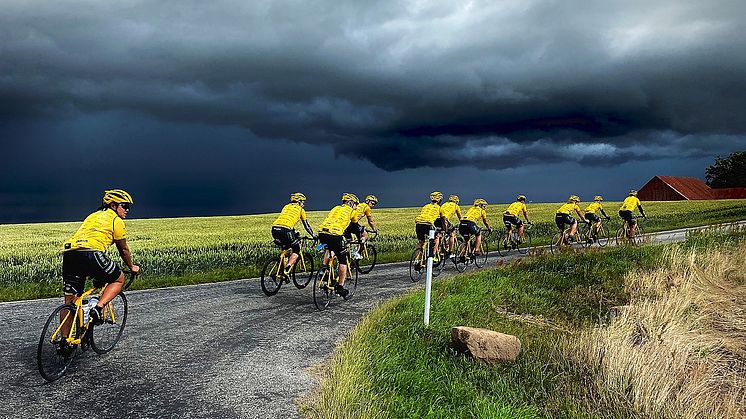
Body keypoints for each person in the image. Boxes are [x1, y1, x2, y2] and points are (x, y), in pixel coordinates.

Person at [61, 189, 140, 339]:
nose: (127, 210)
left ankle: (65, 342)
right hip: (91, 253)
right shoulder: (116, 220)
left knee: (70, 301)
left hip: (70, 253)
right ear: (113, 205)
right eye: (124, 206)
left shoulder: (93, 216)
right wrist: (131, 266)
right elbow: (123, 249)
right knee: (118, 279)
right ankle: (98, 308)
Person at [318, 193, 360, 299]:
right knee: (343, 260)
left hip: (322, 233)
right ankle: (340, 287)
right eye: (355, 204)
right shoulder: (352, 211)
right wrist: (361, 240)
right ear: (351, 203)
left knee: (330, 249)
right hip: (336, 235)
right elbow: (355, 228)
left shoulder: (335, 208)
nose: (356, 207)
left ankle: (324, 269)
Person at [271, 192, 316, 276]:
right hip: (286, 230)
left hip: (274, 229)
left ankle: (280, 269)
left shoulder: (286, 206)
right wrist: (313, 235)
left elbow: (286, 219)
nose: (303, 204)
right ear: (299, 202)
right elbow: (306, 226)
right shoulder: (301, 210)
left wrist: (294, 233)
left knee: (285, 248)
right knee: (296, 250)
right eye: (303, 202)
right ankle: (286, 269)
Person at [414, 191, 447, 264]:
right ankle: (433, 256)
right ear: (440, 200)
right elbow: (444, 221)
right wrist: (445, 229)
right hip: (428, 225)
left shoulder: (425, 206)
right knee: (437, 237)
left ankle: (417, 260)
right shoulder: (439, 208)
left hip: (418, 224)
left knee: (421, 242)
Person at [345, 194, 379, 259]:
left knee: (349, 242)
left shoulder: (359, 205)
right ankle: (356, 252)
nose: (373, 205)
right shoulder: (367, 207)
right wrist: (374, 229)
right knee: (365, 235)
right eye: (372, 203)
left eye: (374, 204)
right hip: (352, 224)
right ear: (367, 201)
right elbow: (370, 221)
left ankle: (349, 260)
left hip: (345, 224)